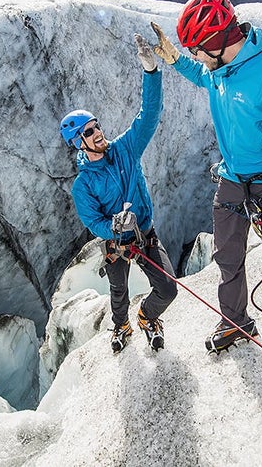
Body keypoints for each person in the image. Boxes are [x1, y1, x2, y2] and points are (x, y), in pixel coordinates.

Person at [149, 0, 262, 416]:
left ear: (219, 41)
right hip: (232, 181)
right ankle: (236, 321)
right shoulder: (220, 67)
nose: (197, 56)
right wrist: (174, 59)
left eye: (197, 49)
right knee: (227, 256)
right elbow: (203, 76)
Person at [60, 34, 178, 353]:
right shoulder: (83, 185)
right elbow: (91, 220)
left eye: (96, 126)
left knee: (167, 289)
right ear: (77, 142)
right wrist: (113, 229)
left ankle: (146, 317)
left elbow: (148, 116)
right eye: (88, 132)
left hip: (145, 232)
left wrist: (150, 72)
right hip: (115, 241)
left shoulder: (125, 149)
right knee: (117, 290)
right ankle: (121, 324)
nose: (97, 133)